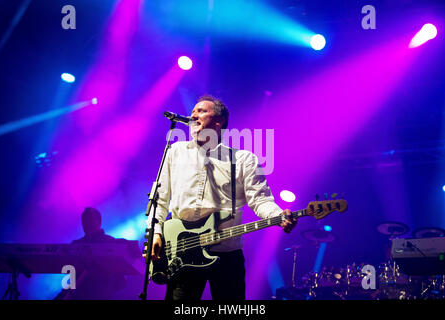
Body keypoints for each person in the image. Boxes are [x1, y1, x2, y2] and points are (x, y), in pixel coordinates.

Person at [146, 95, 296, 300]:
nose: (193, 115)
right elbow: (160, 198)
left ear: (219, 121)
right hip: (181, 252)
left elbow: (260, 199)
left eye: (201, 111)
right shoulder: (175, 152)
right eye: (193, 112)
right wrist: (155, 233)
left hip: (226, 253)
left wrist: (279, 214)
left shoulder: (244, 159)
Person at [55, 207, 128, 300]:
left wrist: (106, 289)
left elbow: (121, 281)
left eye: (89, 220)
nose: (86, 224)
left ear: (99, 221)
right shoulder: (77, 245)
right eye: (84, 220)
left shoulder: (110, 243)